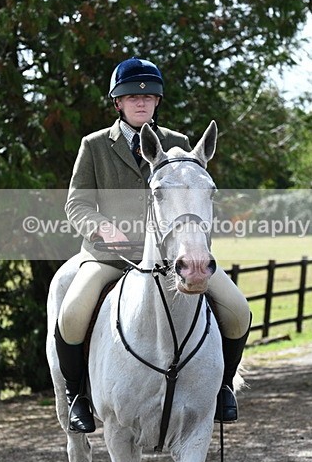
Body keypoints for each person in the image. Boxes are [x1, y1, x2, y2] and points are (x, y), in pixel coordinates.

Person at [55, 57, 251, 433]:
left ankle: (222, 388)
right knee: (73, 314)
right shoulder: (94, 146)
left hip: (171, 257)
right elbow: (75, 203)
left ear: (157, 101)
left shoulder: (178, 144)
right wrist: (101, 227)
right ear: (118, 103)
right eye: (131, 96)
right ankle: (78, 395)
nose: (140, 101)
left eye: (147, 95)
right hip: (109, 256)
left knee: (238, 310)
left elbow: (195, 195)